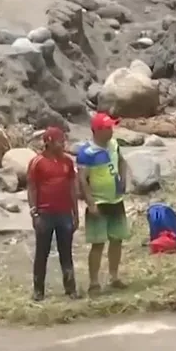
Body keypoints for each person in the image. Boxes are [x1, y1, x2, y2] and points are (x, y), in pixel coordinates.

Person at [75, 112, 131, 294]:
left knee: (117, 239)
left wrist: (123, 178)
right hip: (99, 201)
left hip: (116, 199)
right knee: (98, 243)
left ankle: (114, 277)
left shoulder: (114, 145)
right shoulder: (86, 153)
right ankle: (93, 282)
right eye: (108, 128)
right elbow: (82, 180)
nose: (111, 131)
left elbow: (122, 162)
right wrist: (90, 203)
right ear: (98, 131)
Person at [26, 126, 79, 301]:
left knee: (66, 252)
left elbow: (72, 187)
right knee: (42, 253)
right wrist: (34, 213)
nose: (63, 144)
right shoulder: (37, 163)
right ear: (49, 143)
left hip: (64, 213)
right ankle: (38, 290)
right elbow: (32, 188)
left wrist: (75, 212)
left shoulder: (67, 162)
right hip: (44, 213)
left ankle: (70, 288)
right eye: (60, 141)